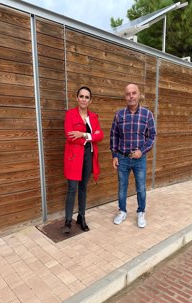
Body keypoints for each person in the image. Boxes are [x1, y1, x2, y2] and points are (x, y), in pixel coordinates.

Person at [110, 83, 156, 228]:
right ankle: (122, 211)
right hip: (122, 158)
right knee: (122, 187)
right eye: (128, 94)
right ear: (125, 96)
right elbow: (114, 135)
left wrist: (142, 151)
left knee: (141, 188)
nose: (131, 96)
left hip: (139, 159)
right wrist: (114, 155)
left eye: (134, 93)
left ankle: (141, 212)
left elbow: (152, 136)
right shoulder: (119, 115)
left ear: (139, 94)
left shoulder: (147, 114)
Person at [63, 86, 104, 234]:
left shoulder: (93, 117)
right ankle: (68, 220)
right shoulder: (70, 115)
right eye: (81, 96)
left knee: (83, 187)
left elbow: (100, 135)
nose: (84, 99)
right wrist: (89, 138)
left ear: (90, 100)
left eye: (87, 97)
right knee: (72, 188)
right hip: (74, 156)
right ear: (77, 98)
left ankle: (81, 216)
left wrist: (83, 135)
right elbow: (70, 136)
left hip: (88, 156)